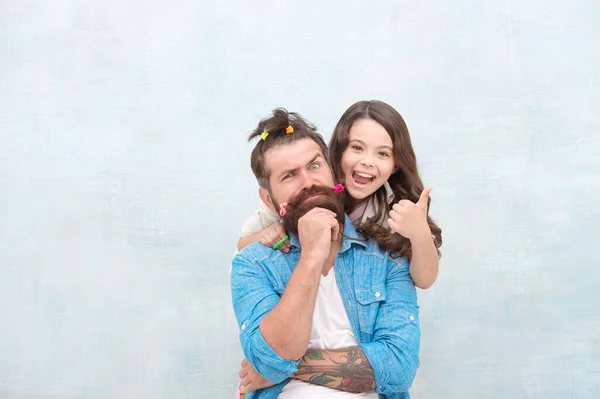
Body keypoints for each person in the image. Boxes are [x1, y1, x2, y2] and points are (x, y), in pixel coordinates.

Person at [231, 109, 420, 398]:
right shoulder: (253, 263)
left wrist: (288, 368)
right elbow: (271, 357)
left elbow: (398, 368)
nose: (308, 182)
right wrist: (311, 256)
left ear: (333, 170)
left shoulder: (387, 256)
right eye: (289, 175)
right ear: (269, 199)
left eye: (315, 166)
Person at [238, 100, 442, 290]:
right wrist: (268, 233)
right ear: (338, 150)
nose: (367, 161)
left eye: (382, 154)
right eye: (357, 148)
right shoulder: (312, 189)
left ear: (395, 164)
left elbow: (424, 280)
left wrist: (419, 233)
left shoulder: (393, 209)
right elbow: (243, 244)